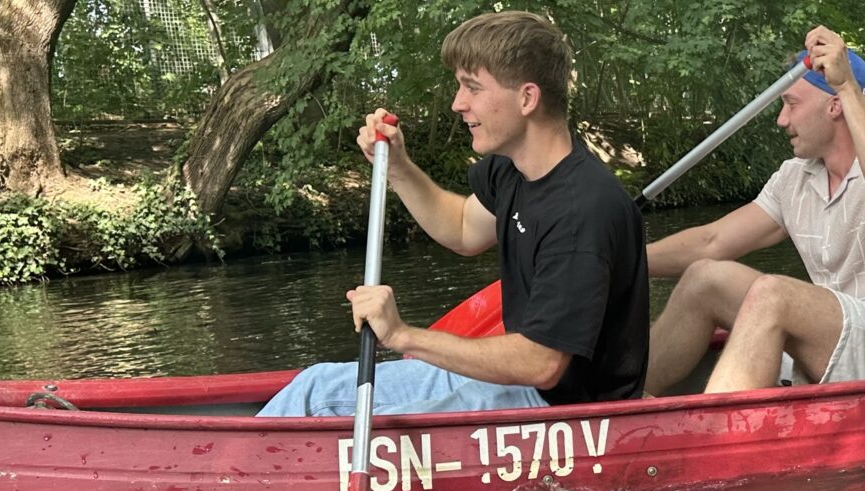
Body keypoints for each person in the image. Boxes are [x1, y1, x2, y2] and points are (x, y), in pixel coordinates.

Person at [258, 11, 649, 417]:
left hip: (562, 409)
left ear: (527, 98)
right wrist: (398, 167)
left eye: (472, 87)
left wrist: (403, 335)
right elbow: (463, 228)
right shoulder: (512, 168)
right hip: (516, 381)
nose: (457, 103)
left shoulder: (582, 211)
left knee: (339, 416)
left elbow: (542, 363)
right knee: (315, 388)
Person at [643, 26, 865, 394]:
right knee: (703, 278)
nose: (782, 120)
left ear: (835, 104)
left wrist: (846, 85)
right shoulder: (794, 178)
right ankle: (618, 412)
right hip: (833, 342)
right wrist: (615, 260)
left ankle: (714, 441)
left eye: (791, 104)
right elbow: (712, 241)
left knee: (773, 294)